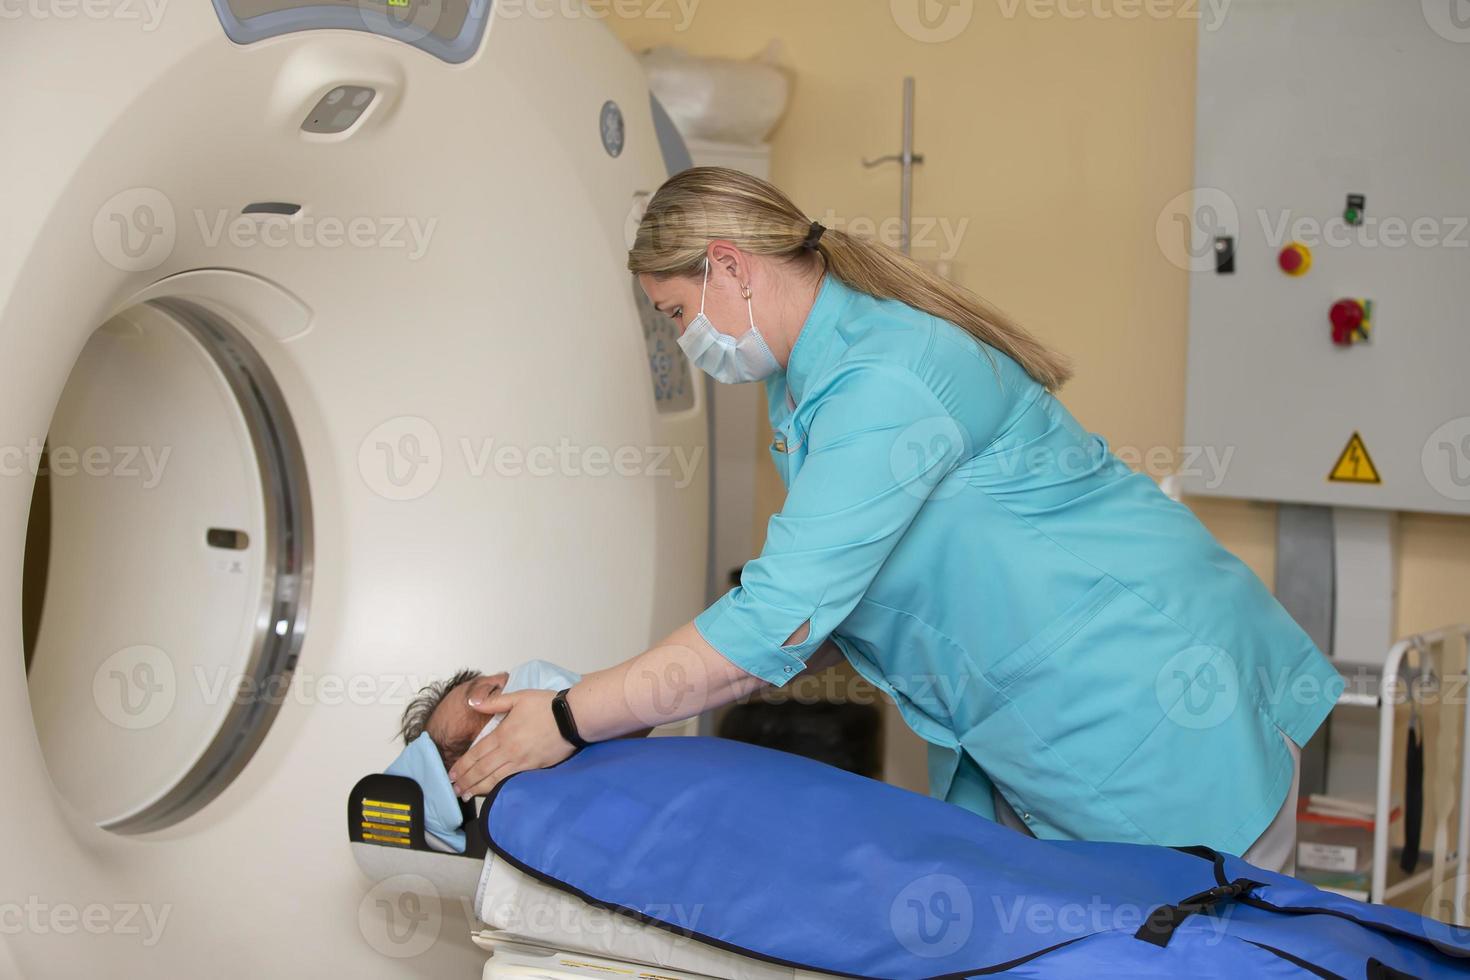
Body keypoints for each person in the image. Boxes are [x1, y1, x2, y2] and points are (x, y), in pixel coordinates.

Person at [447, 167, 1342, 871]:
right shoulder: (810, 383)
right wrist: (634, 702)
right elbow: (829, 607)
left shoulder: (885, 378)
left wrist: (570, 716)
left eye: (677, 314)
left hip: (1150, 704)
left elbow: (779, 614)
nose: (685, 338)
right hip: (1057, 717)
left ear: (727, 265)